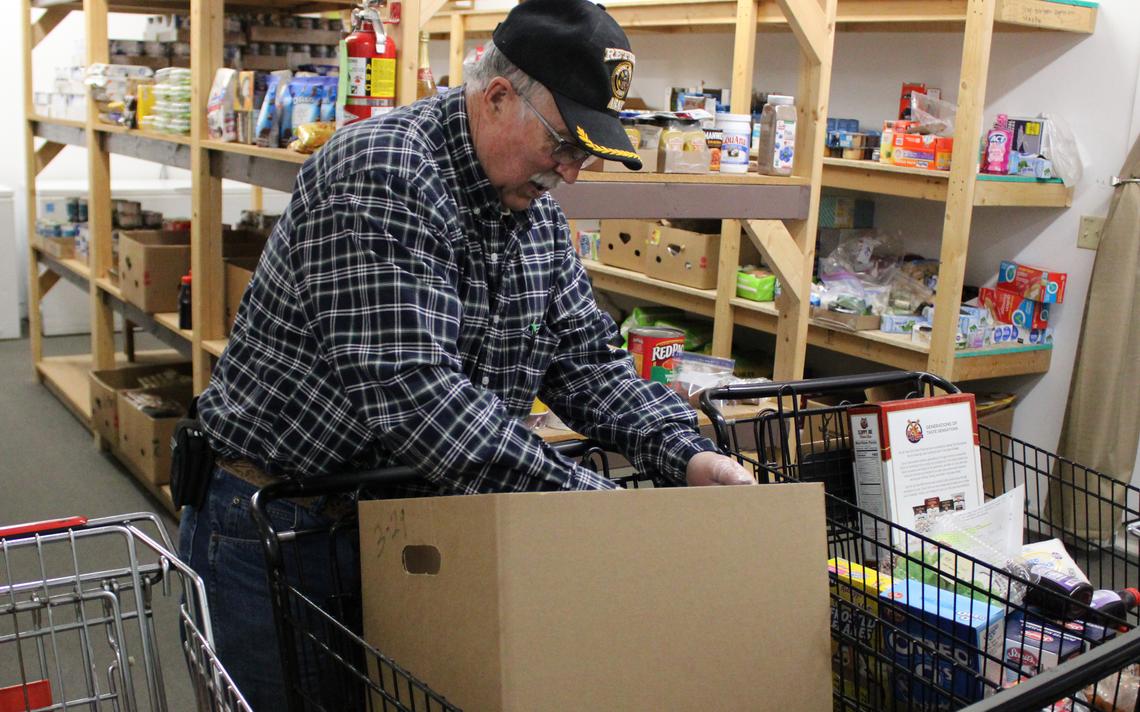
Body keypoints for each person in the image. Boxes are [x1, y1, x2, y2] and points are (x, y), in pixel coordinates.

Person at [179, 0, 754, 707]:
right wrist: (600, 509)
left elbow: (587, 363)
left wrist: (684, 452)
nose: (570, 173)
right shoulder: (383, 171)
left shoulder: (534, 214)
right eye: (564, 144)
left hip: (404, 527)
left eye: (585, 153)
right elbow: (417, 398)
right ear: (498, 95)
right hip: (282, 527)